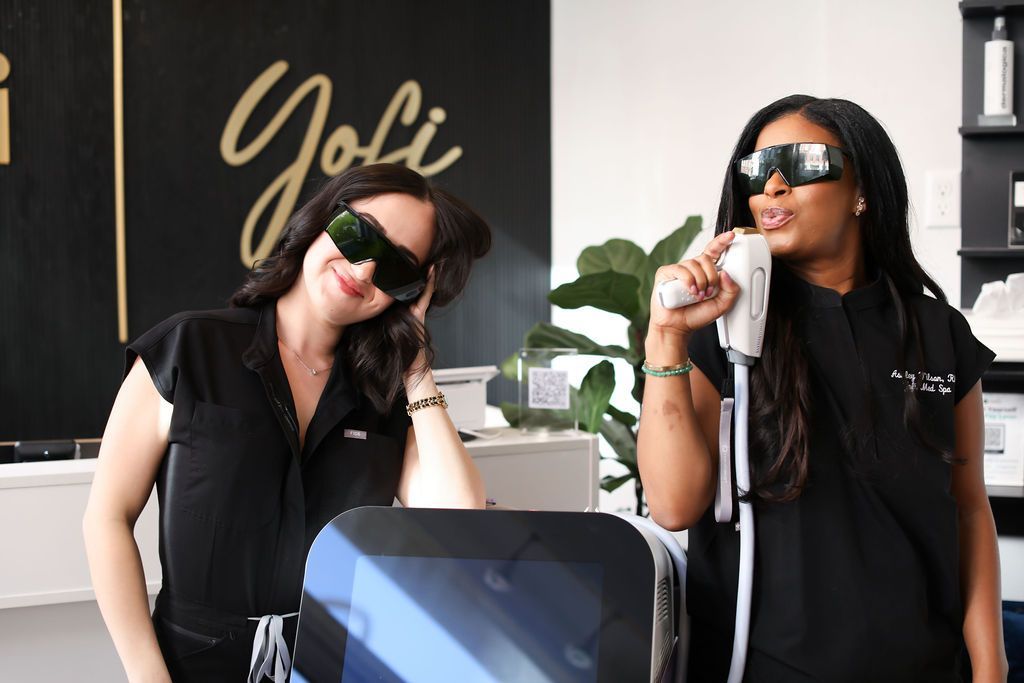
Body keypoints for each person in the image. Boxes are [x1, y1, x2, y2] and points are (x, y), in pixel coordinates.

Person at [638, 95, 1008, 681]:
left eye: (803, 163)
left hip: (925, 667)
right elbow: (674, 506)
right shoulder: (720, 334)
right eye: (758, 171)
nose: (774, 186)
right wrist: (664, 337)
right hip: (760, 668)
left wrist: (990, 668)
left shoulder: (940, 333)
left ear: (863, 188)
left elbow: (967, 508)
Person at [82, 163, 491, 682]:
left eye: (395, 269)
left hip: (335, 664)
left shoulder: (384, 396)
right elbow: (106, 518)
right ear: (321, 220)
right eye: (359, 233)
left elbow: (459, 519)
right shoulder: (187, 348)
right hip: (189, 666)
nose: (364, 271)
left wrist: (416, 367)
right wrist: (147, 677)